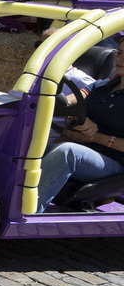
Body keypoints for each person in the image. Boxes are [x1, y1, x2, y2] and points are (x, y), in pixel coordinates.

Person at [36, 45, 124, 210]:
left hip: (115, 164)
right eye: (119, 53)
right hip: (83, 149)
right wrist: (76, 118)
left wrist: (95, 137)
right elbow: (67, 103)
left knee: (68, 152)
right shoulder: (100, 86)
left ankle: (27, 210)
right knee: (30, 145)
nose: (120, 58)